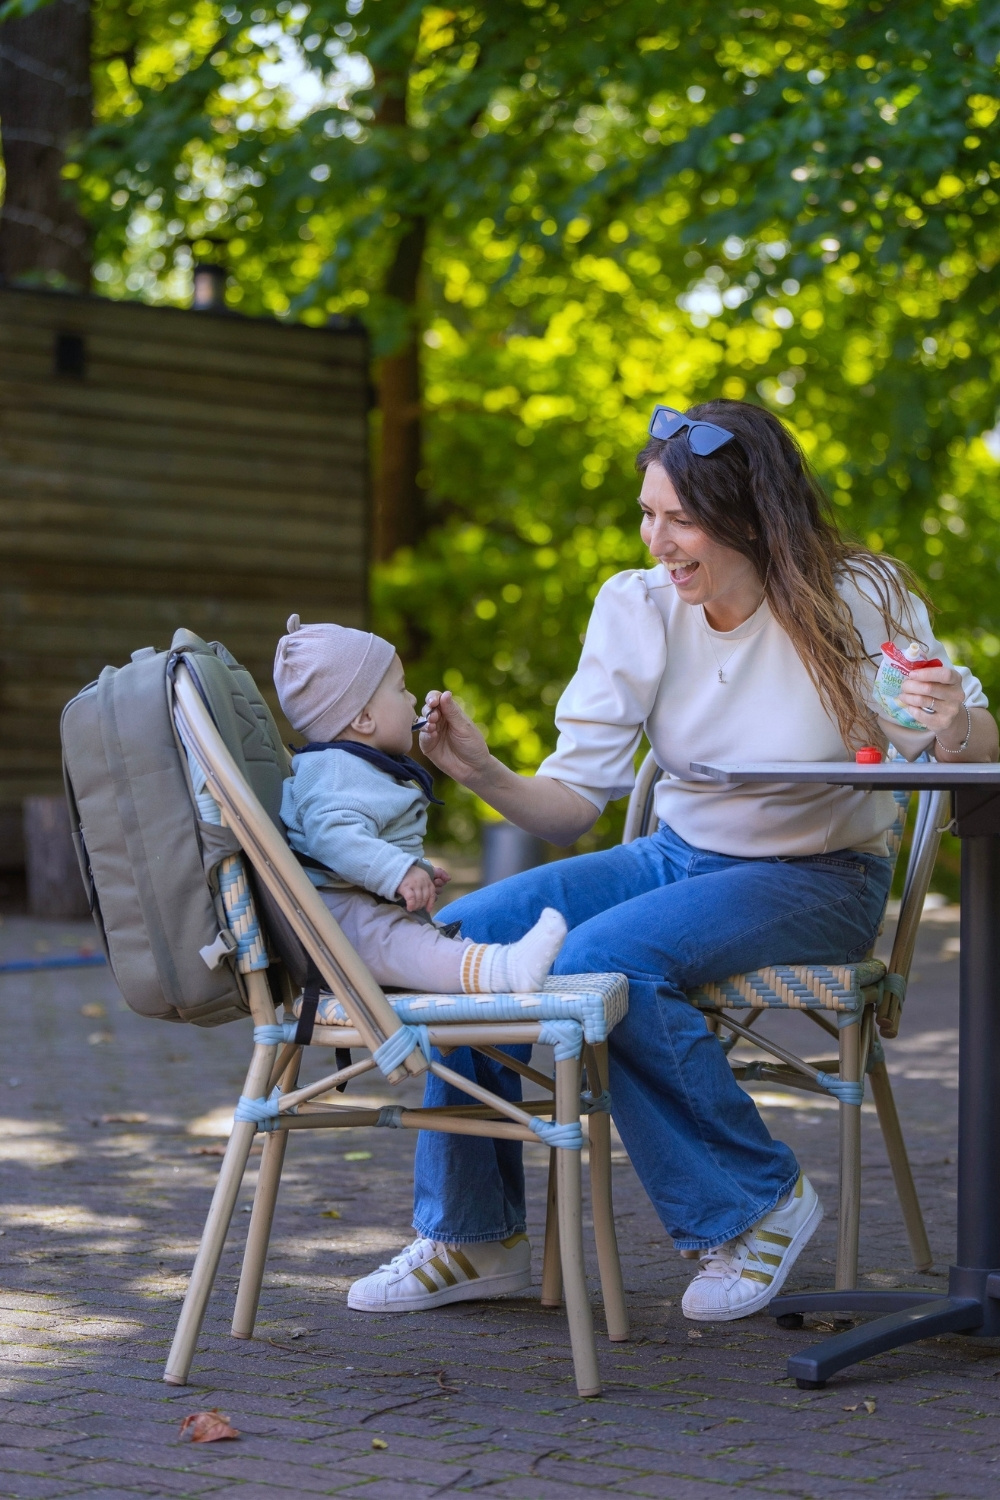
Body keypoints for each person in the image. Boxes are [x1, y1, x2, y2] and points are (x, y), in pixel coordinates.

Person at [346, 400, 997, 1321]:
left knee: (600, 962)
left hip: (818, 876)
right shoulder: (637, 607)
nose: (657, 540)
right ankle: (471, 1232)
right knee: (468, 934)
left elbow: (966, 743)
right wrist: (482, 769)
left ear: (749, 517)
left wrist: (951, 723)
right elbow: (572, 807)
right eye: (648, 514)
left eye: (680, 519)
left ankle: (756, 1205)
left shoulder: (857, 595)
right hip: (674, 857)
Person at [274, 615, 567, 1004]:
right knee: (412, 947)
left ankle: (499, 966)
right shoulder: (334, 769)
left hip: (359, 910)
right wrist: (396, 870)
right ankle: (507, 969)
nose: (412, 699)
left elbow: (364, 837)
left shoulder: (353, 766)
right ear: (363, 719)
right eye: (401, 689)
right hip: (340, 924)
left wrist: (417, 869)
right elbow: (332, 836)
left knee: (429, 940)